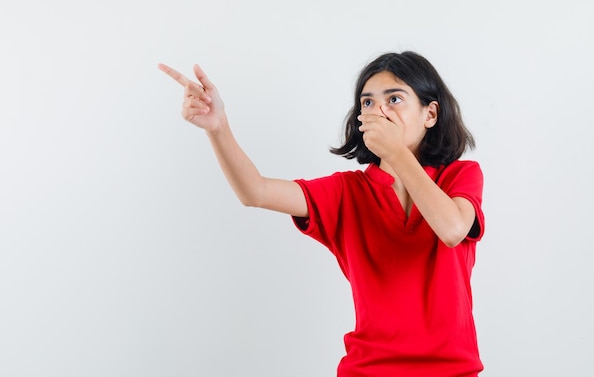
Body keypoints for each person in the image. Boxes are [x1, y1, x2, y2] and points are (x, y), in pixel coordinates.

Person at [158, 51, 485, 377]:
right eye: (367, 103)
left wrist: (396, 152)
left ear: (430, 114)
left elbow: (452, 228)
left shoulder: (460, 176)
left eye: (394, 99)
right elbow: (254, 191)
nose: (378, 111)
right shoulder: (347, 192)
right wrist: (218, 128)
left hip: (453, 370)